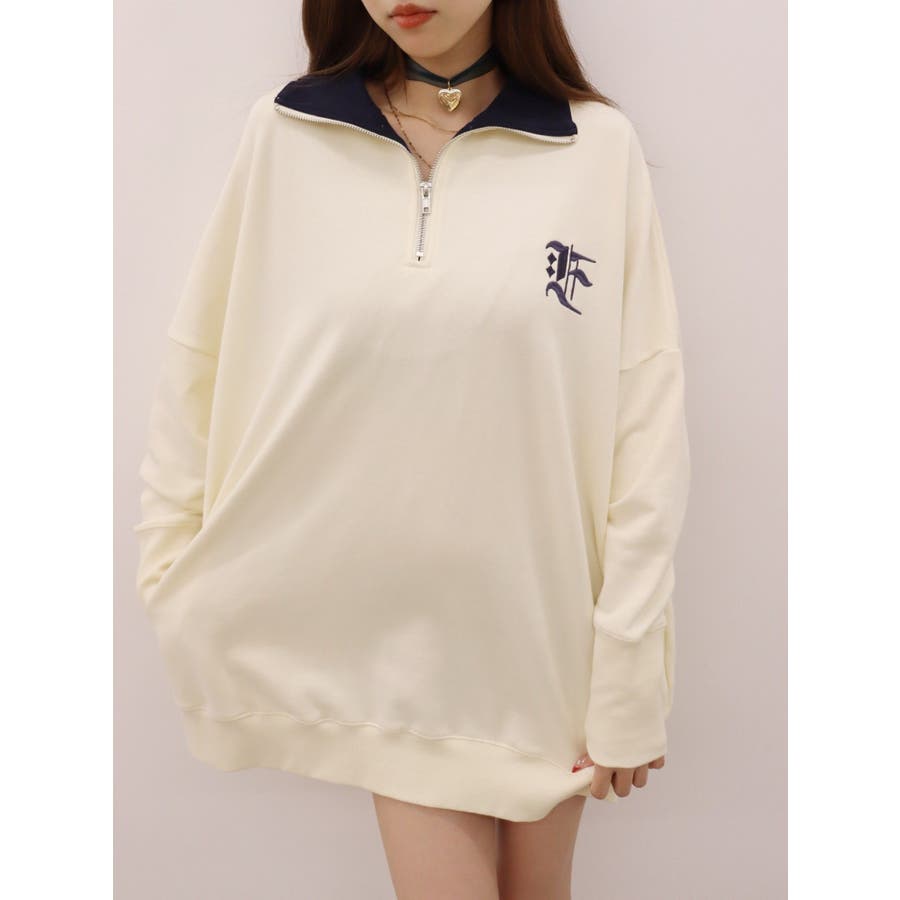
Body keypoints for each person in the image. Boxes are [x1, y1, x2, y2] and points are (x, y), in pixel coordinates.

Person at [132, 0, 691, 896]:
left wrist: (628, 663)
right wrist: (167, 562)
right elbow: (200, 360)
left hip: (545, 636)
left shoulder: (596, 148)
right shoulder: (288, 133)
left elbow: (644, 415)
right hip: (388, 648)